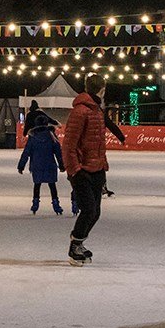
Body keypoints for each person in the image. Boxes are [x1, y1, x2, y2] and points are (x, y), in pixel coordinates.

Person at [64, 73, 109, 266]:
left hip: (96, 168)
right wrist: (74, 169)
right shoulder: (81, 111)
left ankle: (79, 242)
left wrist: (103, 165)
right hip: (82, 169)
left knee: (96, 212)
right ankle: (75, 245)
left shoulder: (97, 110)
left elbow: (98, 143)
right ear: (102, 89)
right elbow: (68, 145)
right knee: (88, 210)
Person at [18, 119, 65, 214]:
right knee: (52, 185)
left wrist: (21, 165)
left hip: (37, 165)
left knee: (37, 185)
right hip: (49, 164)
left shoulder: (33, 137)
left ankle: (35, 203)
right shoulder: (51, 135)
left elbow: (26, 152)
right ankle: (56, 204)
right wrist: (62, 165)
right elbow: (58, 151)